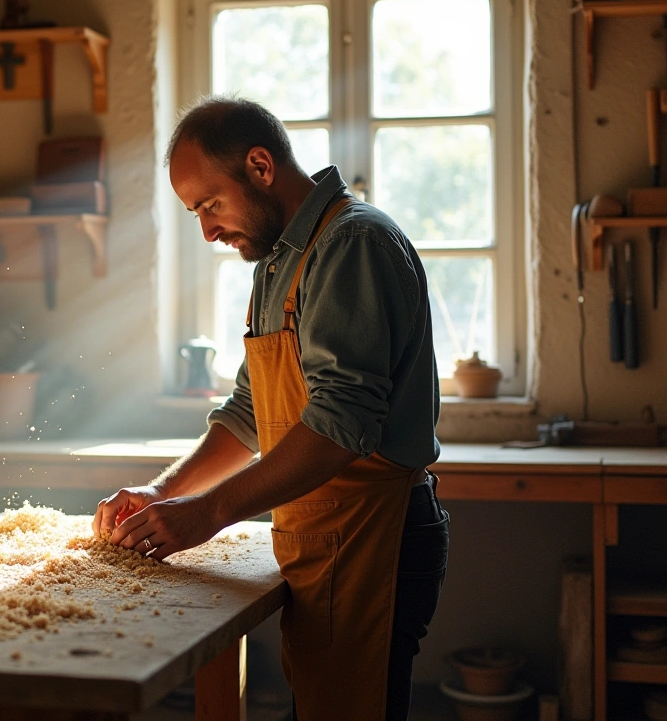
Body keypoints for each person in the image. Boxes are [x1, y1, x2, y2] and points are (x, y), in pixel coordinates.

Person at [92, 96, 449, 720]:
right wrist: (162, 492)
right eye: (194, 213)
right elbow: (250, 410)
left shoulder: (352, 243)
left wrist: (208, 513)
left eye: (210, 205)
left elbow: (340, 425)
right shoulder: (280, 258)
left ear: (260, 166)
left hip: (376, 535)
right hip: (321, 531)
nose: (206, 230)